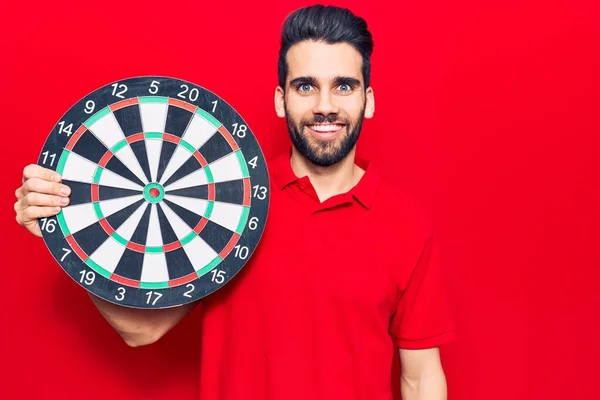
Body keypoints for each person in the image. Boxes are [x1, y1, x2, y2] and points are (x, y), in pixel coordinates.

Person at [13, 4, 456, 400]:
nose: (324, 105)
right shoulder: (227, 203)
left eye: (343, 86)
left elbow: (420, 380)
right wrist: (66, 237)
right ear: (281, 100)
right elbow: (141, 332)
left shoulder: (406, 224)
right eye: (305, 86)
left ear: (368, 100)